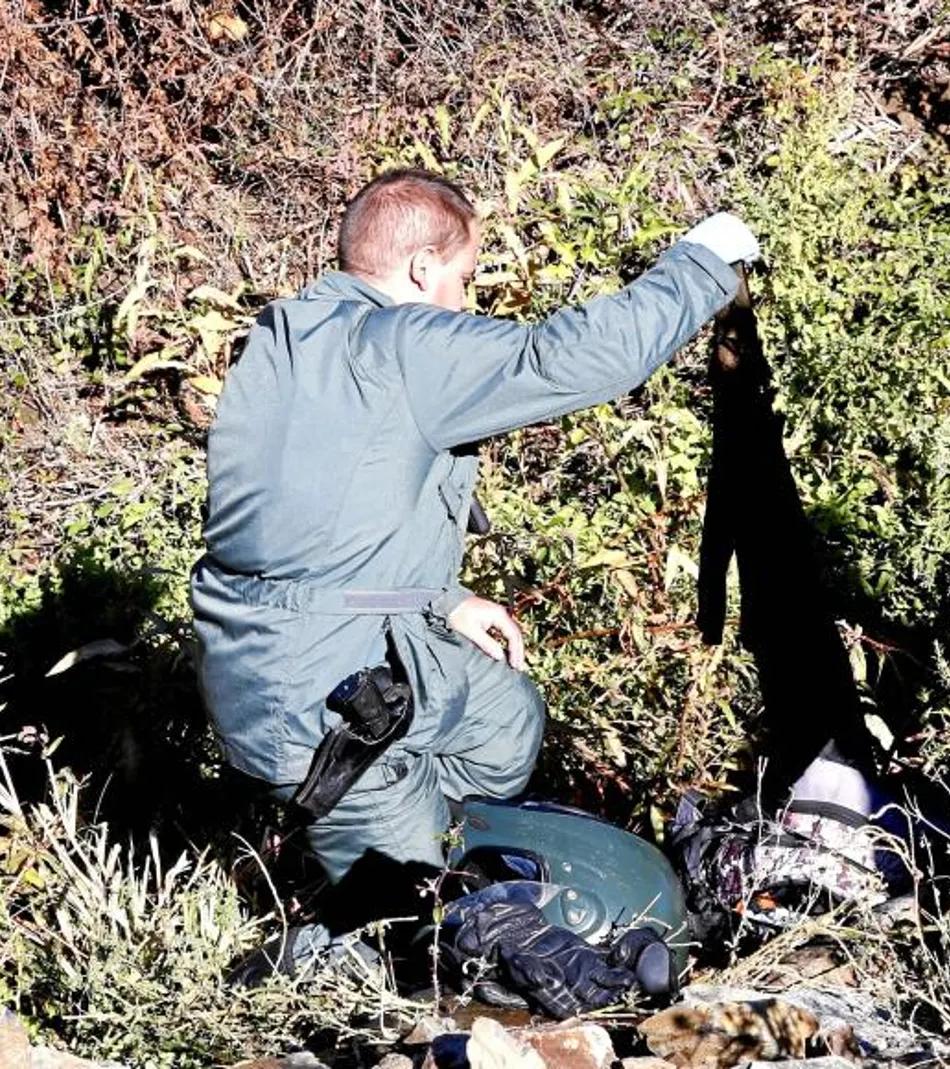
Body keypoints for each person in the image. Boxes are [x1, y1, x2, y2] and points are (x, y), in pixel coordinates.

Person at [190, 168, 759, 889]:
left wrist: (442, 596)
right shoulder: (402, 345)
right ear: (423, 267)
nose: (465, 300)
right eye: (464, 278)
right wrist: (702, 263)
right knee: (411, 919)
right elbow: (570, 358)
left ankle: (419, 834)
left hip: (291, 653)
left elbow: (317, 523)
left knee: (504, 717)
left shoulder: (290, 337)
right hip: (312, 703)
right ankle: (378, 879)